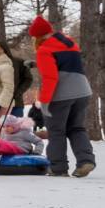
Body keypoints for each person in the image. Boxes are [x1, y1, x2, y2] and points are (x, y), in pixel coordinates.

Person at [29, 16, 95, 177]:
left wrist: (44, 101)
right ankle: (85, 161)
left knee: (56, 131)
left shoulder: (44, 50)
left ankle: (58, 168)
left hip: (61, 96)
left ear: (36, 37)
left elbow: (51, 78)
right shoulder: (70, 43)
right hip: (82, 91)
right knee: (77, 128)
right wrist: (37, 63)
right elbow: (64, 63)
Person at [0, 40, 33, 117]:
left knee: (16, 128)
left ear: (4, 49)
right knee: (0, 129)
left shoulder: (18, 62)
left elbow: (28, 79)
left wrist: (18, 92)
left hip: (16, 104)